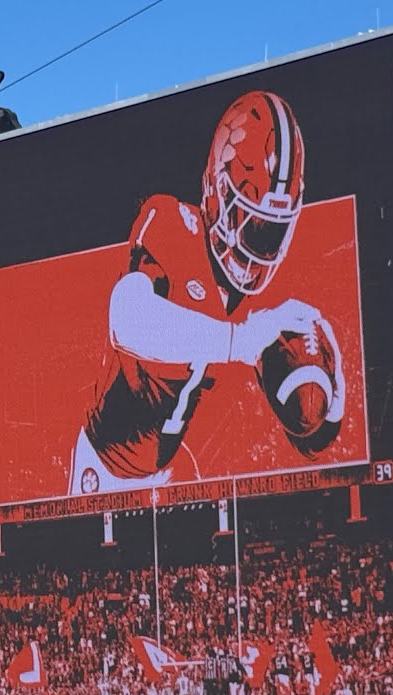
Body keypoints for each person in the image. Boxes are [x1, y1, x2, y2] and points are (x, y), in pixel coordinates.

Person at [69, 90, 345, 498]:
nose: (257, 247)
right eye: (248, 222)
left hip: (169, 471)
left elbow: (311, 439)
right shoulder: (172, 223)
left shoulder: (267, 304)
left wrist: (333, 385)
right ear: (216, 190)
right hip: (107, 469)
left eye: (271, 231)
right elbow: (125, 319)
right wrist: (240, 340)